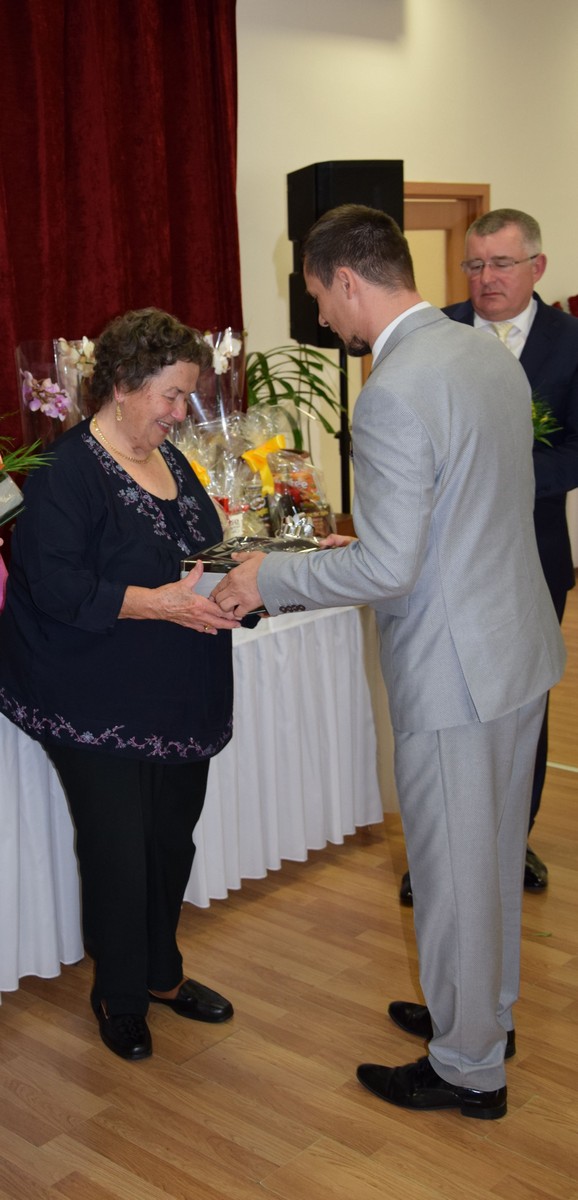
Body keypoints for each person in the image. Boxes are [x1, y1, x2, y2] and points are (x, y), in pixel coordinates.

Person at [213, 204, 565, 1119]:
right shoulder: (483, 351)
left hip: (455, 670)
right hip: (514, 644)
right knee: (490, 856)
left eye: (318, 297)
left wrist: (269, 577)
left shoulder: (396, 389)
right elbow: (473, 504)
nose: (322, 316)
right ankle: (480, 1016)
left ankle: (467, 1069)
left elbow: (390, 569)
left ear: (348, 280)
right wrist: (362, 550)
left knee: (453, 875)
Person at [0, 307, 244, 1061]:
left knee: (170, 839)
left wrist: (250, 578)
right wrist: (159, 604)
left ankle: (163, 974)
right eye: (170, 395)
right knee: (119, 848)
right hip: (93, 692)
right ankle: (120, 992)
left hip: (180, 688)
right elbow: (55, 586)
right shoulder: (65, 470)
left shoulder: (172, 458)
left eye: (186, 395)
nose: (181, 411)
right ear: (121, 385)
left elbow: (204, 548)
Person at [398, 209, 578, 904]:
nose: (485, 278)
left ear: (537, 267)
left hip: (533, 550)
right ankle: (441, 849)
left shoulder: (569, 342)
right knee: (447, 698)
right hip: (442, 555)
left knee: (520, 699)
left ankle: (511, 839)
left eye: (501, 264)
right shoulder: (434, 333)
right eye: (474, 265)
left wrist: (511, 475)